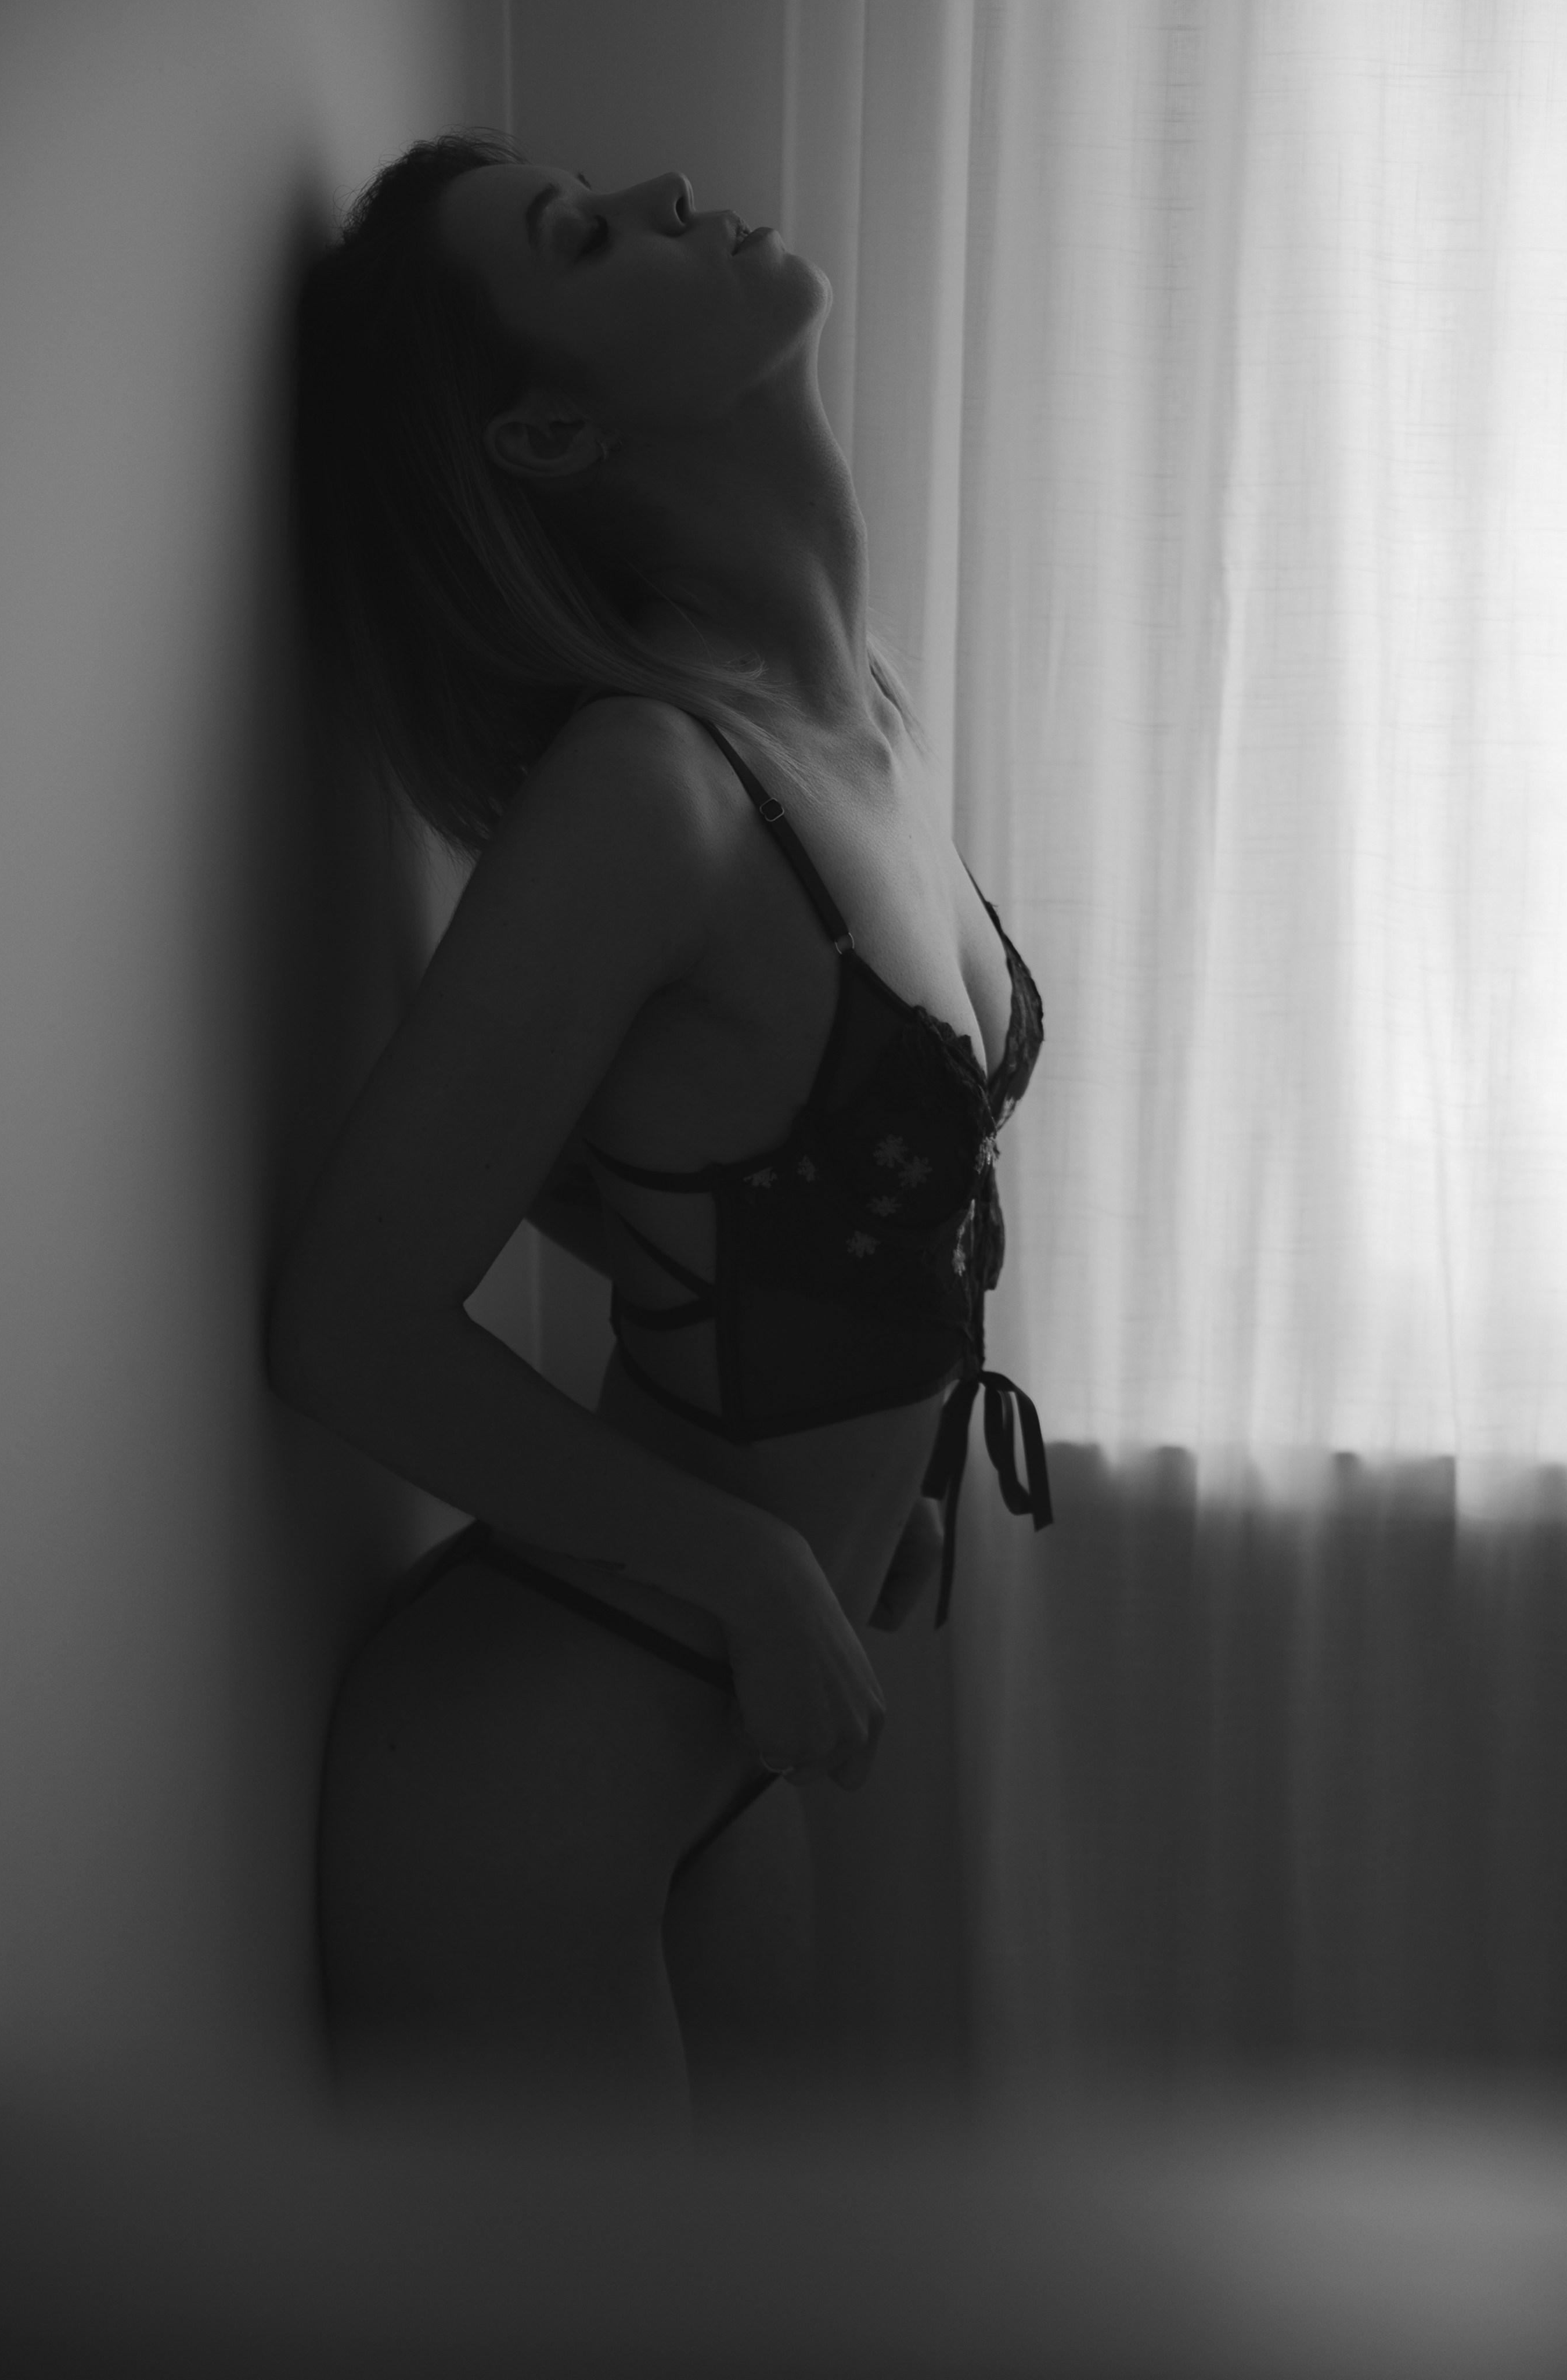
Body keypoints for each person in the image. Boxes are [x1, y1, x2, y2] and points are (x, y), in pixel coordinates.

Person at [271, 129, 1049, 2139]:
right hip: (536, 1755)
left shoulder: (857, 715)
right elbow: (345, 1322)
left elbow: (743, 1177)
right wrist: (758, 1564)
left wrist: (867, 1452)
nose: (667, 199)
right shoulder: (654, 787)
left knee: (776, 2292)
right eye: (582, 236)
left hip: (708, 1729)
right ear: (547, 431)